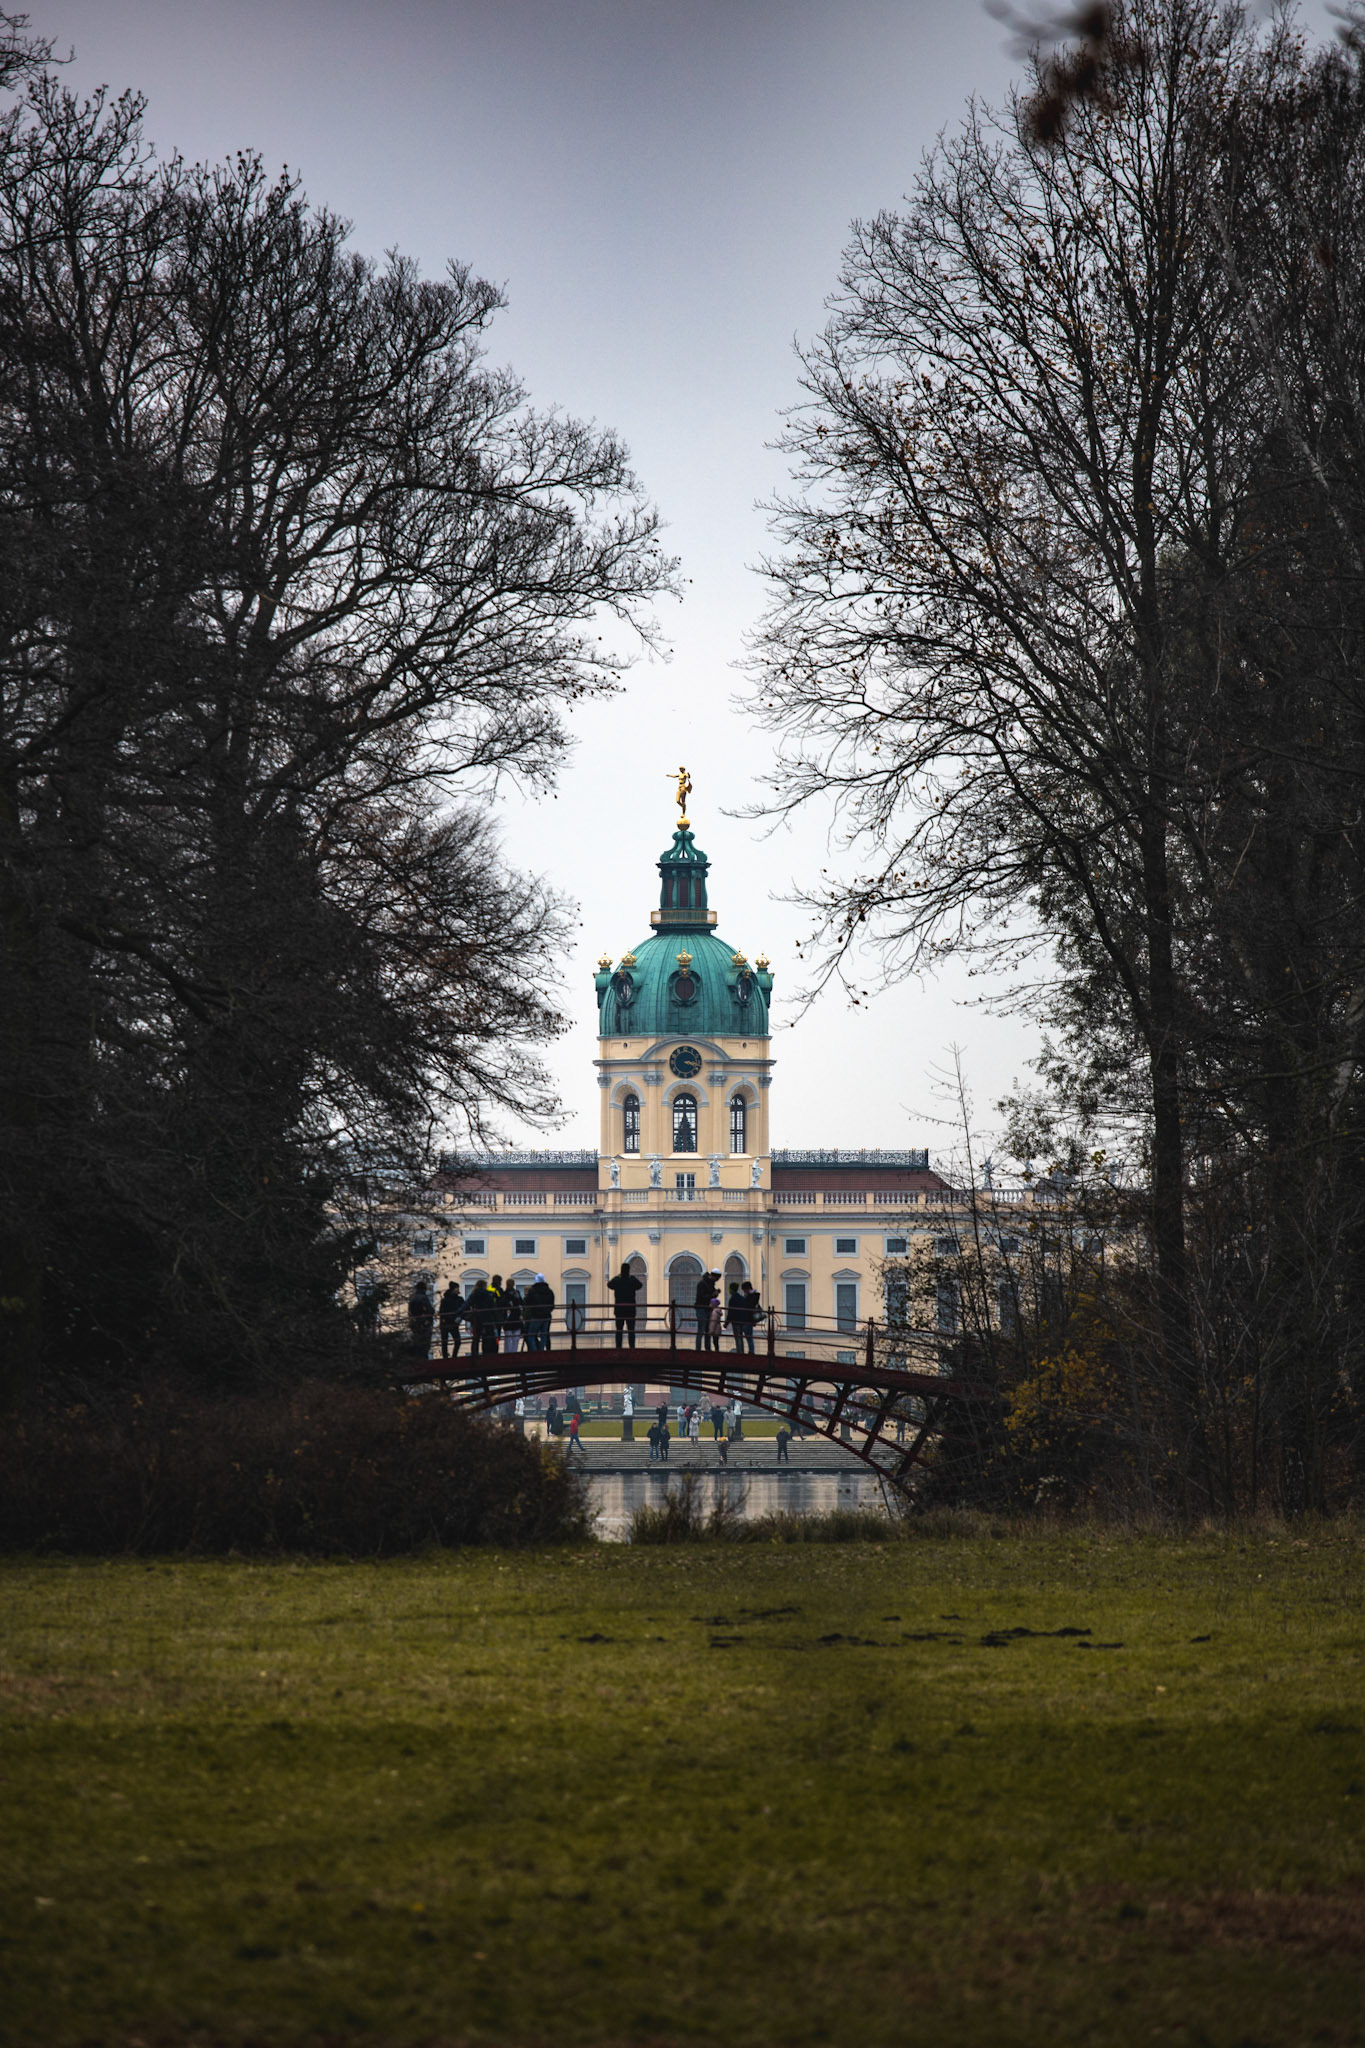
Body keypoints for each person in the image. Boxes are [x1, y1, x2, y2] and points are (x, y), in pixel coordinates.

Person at [607, 1259, 642, 1347]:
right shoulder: (632, 1280)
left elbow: (609, 1284)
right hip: (630, 1309)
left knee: (619, 1330)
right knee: (631, 1330)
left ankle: (618, 1347)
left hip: (619, 1309)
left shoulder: (617, 1280)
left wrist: (617, 1276)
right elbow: (640, 1285)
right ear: (628, 1270)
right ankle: (632, 1347)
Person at [524, 1273, 555, 1352]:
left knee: (531, 1335)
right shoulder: (549, 1291)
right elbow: (552, 1305)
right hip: (546, 1315)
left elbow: (527, 1302)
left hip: (536, 1316)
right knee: (544, 1335)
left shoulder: (532, 1290)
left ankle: (534, 1351)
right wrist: (548, 1310)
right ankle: (541, 1351)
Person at [437, 1281, 465, 1360]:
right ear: (454, 1289)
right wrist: (459, 1317)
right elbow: (464, 1309)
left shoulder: (445, 1300)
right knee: (455, 1341)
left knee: (446, 1342)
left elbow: (442, 1312)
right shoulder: (458, 1299)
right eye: (457, 1288)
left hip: (446, 1323)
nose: (458, 1289)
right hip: (451, 1323)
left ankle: (447, 1358)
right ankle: (452, 1357)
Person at [407, 1278, 435, 1358]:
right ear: (424, 1288)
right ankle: (424, 1358)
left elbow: (409, 1312)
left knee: (417, 1341)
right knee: (425, 1343)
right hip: (425, 1323)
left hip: (415, 1323)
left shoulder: (412, 1298)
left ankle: (418, 1358)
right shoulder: (424, 1297)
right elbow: (431, 1310)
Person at [693, 1269, 717, 1350]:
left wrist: (714, 1295)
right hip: (702, 1309)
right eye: (716, 1278)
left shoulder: (710, 1284)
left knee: (707, 1330)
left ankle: (706, 1348)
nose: (716, 1281)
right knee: (702, 1329)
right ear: (713, 1276)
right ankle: (699, 1349)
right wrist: (712, 1295)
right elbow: (701, 1297)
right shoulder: (702, 1283)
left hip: (707, 1309)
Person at [501, 1279, 524, 1354]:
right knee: (515, 1338)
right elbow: (521, 1303)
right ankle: (513, 1353)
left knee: (509, 1338)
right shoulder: (516, 1293)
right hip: (515, 1318)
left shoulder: (504, 1294)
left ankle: (508, 1353)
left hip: (509, 1318)